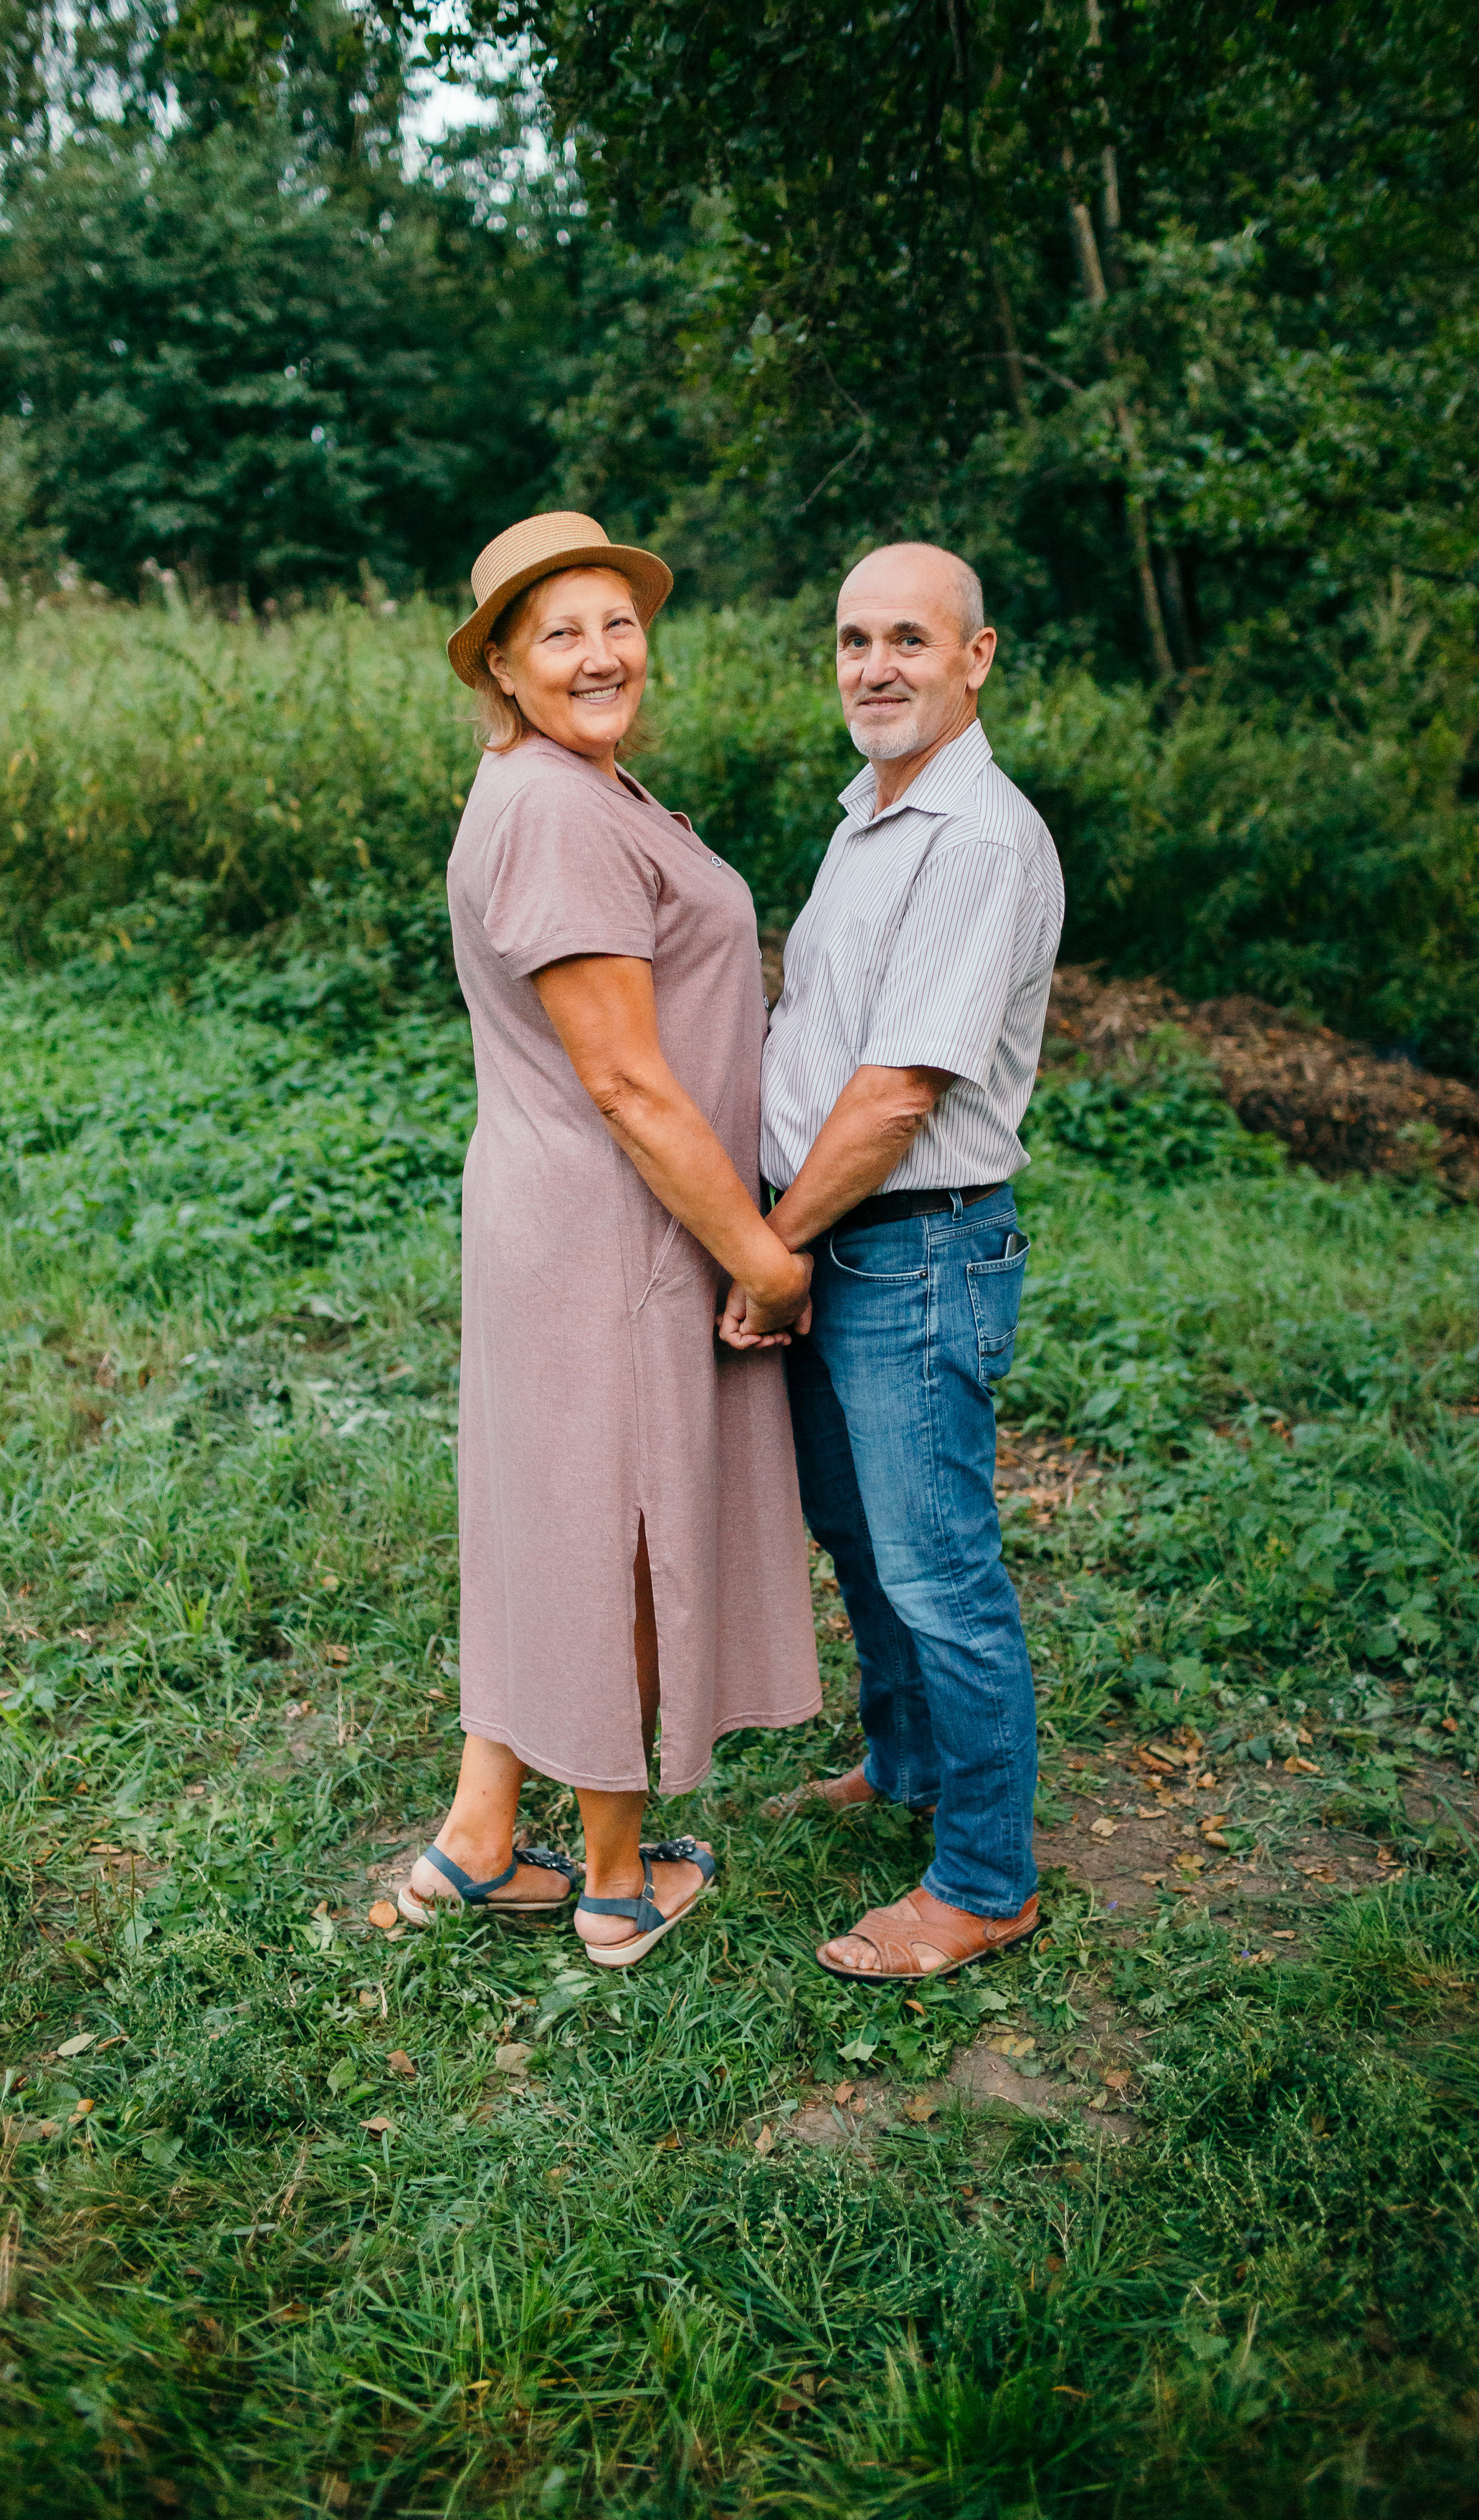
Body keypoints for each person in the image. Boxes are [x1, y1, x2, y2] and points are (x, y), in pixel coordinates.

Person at [399, 511, 821, 1970]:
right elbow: (630, 1082)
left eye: (615, 622)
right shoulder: (559, 811)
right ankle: (619, 1876)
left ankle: (473, 1838)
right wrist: (761, 1258)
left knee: (542, 1514)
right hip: (609, 1227)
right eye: (557, 633)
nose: (598, 653)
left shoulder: (562, 783)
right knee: (612, 1536)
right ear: (502, 669)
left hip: (551, 1211)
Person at [722, 542, 1063, 1980]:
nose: (875, 666)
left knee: (938, 1573)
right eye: (854, 640)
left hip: (907, 1248)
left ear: (974, 659)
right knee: (858, 1542)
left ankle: (985, 1876)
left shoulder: (974, 838)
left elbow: (894, 1094)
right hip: (831, 1238)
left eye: (909, 640)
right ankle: (905, 1761)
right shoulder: (871, 808)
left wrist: (768, 1247)